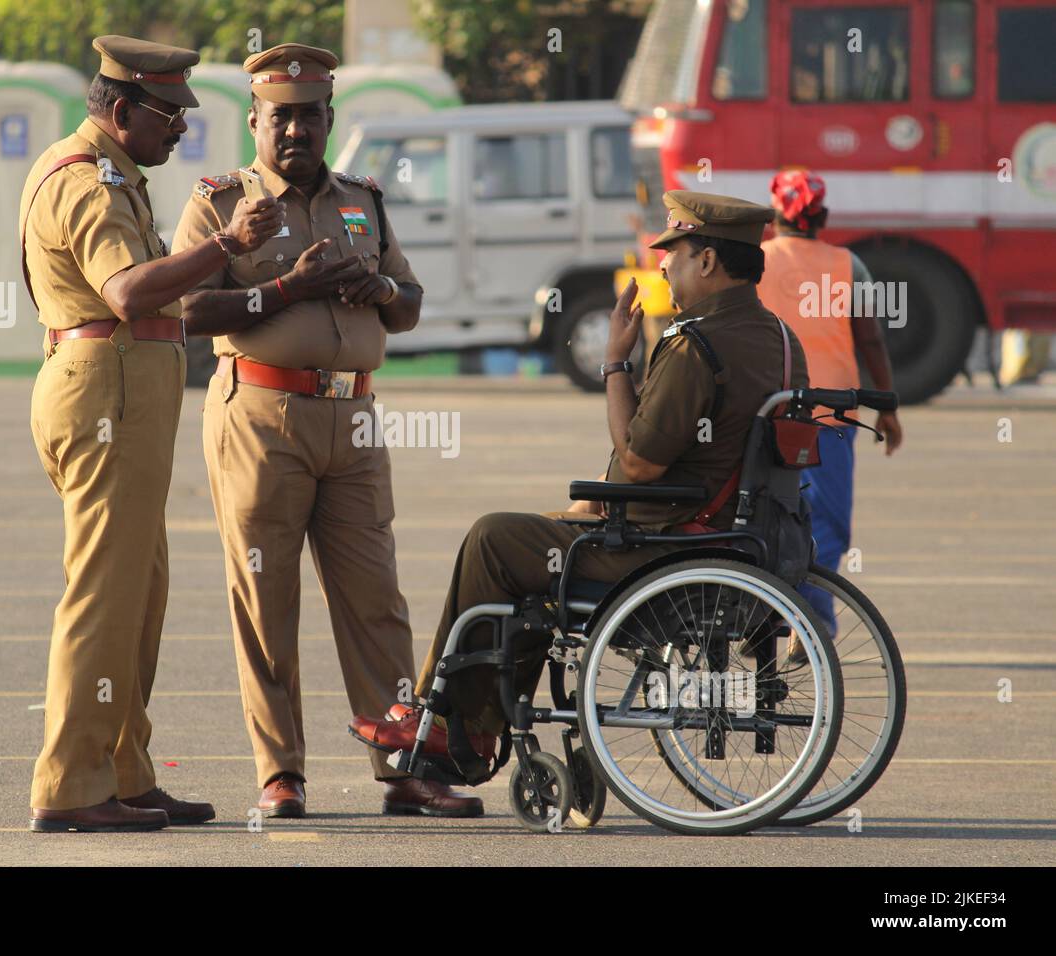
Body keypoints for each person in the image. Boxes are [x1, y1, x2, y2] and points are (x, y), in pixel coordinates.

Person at [350, 191, 810, 785]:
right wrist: (597, 500)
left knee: (493, 540)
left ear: (707, 263)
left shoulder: (697, 343)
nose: (662, 265)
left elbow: (641, 462)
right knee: (537, 541)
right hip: (746, 544)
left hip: (665, 550)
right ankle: (474, 721)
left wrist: (617, 362)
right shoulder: (782, 341)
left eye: (674, 252)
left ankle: (450, 722)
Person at [174, 43, 459, 819]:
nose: (297, 131)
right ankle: (281, 774)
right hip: (261, 417)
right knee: (266, 598)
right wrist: (283, 289)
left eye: (311, 116)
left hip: (354, 417)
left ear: (330, 118)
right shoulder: (222, 200)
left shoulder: (362, 198)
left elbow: (409, 305)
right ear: (257, 121)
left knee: (377, 598)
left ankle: (401, 766)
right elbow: (191, 310)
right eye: (282, 118)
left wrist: (381, 286)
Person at [23, 35, 283, 832]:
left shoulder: (110, 172)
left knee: (139, 593)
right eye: (168, 114)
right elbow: (129, 290)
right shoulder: (91, 182)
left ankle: (124, 772)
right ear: (123, 109)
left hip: (121, 400)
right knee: (103, 598)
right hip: (107, 398)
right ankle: (70, 788)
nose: (180, 129)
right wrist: (225, 246)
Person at [758, 170, 902, 650]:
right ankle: (812, 616)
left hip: (769, 412)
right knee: (825, 522)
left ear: (775, 215)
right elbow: (870, 338)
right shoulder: (848, 264)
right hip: (831, 417)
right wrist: (888, 405)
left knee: (763, 513)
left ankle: (768, 610)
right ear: (822, 217)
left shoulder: (755, 260)